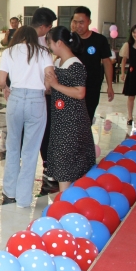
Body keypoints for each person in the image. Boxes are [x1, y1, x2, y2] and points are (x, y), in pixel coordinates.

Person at [0, 26, 53, 207]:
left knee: (13, 146)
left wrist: (6, 88)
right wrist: (45, 88)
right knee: (30, 151)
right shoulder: (43, 52)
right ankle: (23, 199)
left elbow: (1, 80)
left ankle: (9, 191)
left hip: (16, 98)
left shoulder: (9, 52)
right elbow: (49, 76)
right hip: (36, 100)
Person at [46, 26, 95, 192]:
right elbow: (51, 87)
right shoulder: (57, 62)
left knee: (67, 161)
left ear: (59, 43)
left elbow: (80, 93)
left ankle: (67, 199)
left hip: (72, 120)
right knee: (61, 160)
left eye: (50, 43)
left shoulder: (75, 65)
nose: (49, 47)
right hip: (60, 118)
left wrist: (55, 85)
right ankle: (65, 198)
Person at [29, 7, 57, 186]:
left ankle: (46, 164)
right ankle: (35, 166)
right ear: (44, 26)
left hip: (38, 93)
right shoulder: (28, 40)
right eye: (49, 26)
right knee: (36, 131)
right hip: (36, 93)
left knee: (45, 129)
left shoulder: (44, 40)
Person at [72, 6, 114, 122]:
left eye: (81, 22)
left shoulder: (100, 40)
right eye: (75, 22)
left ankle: (85, 133)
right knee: (73, 118)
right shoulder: (70, 40)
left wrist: (110, 86)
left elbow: (107, 63)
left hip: (92, 85)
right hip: (72, 85)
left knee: (88, 116)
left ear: (89, 22)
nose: (78, 25)